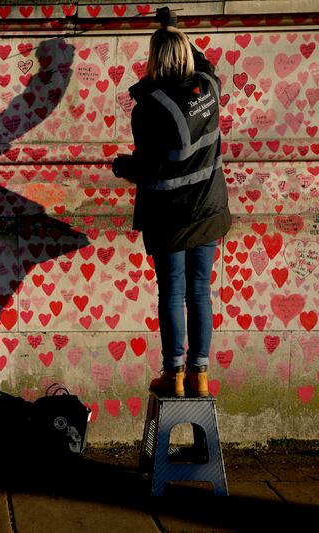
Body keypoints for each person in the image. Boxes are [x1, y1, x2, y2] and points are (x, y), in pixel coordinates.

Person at [112, 8, 231, 398]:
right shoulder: (209, 87)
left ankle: (173, 375)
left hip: (170, 218)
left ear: (154, 59)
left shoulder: (151, 107)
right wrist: (175, 27)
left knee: (172, 292)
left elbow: (150, 168)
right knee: (200, 291)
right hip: (210, 210)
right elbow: (203, 61)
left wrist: (123, 166)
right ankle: (200, 374)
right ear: (184, 54)